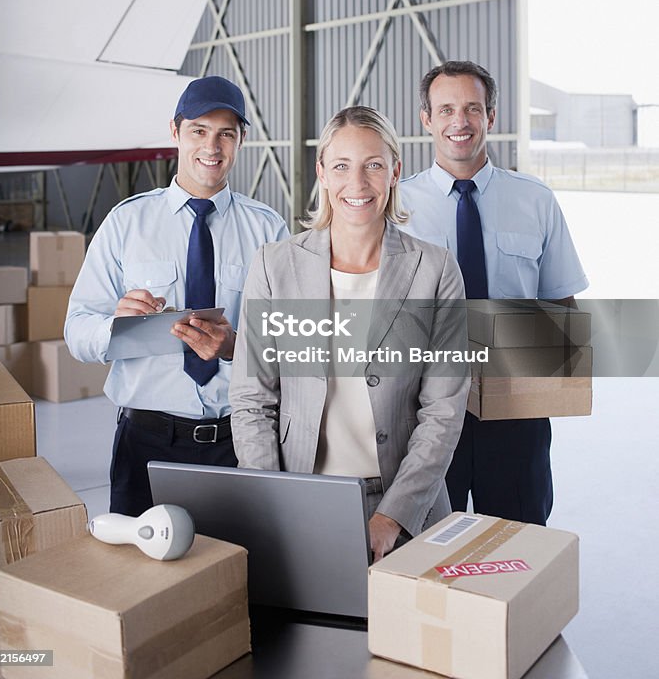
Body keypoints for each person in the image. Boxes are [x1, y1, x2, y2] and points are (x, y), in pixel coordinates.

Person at [230, 106, 469, 561]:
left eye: (373, 165)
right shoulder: (274, 264)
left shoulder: (435, 270)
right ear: (321, 172)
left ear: (395, 171)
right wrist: (276, 501)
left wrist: (392, 517)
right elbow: (251, 400)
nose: (357, 184)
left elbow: (443, 409)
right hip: (302, 502)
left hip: (409, 508)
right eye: (341, 166)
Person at [65, 76, 289, 516]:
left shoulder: (268, 231)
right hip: (146, 444)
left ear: (242, 139)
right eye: (199, 131)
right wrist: (116, 326)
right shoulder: (126, 223)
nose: (213, 146)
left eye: (226, 133)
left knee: (241, 576)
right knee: (144, 578)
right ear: (175, 132)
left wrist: (234, 347)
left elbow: (291, 343)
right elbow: (77, 331)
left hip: (238, 441)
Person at [400, 60, 588, 525]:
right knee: (424, 546)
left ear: (491, 117)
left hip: (516, 412)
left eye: (471, 108)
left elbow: (562, 305)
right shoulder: (396, 206)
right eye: (445, 110)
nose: (459, 122)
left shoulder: (535, 200)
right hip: (424, 412)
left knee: (518, 540)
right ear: (426, 119)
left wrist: (559, 378)